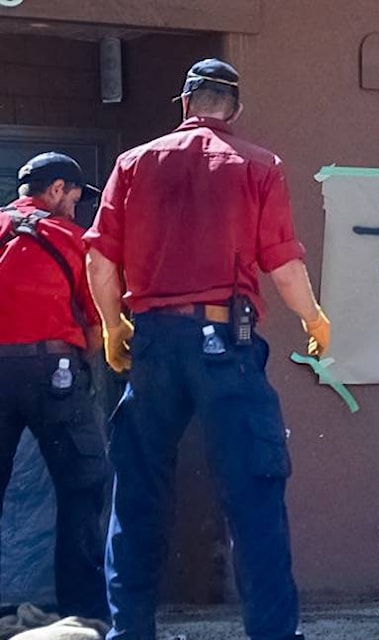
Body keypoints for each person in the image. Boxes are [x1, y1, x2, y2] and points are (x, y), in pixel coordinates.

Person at [84, 58, 331, 640]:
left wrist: (114, 327)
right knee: (253, 492)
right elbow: (285, 266)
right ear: (235, 108)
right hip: (227, 342)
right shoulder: (259, 165)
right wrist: (315, 319)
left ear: (185, 104)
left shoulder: (132, 163)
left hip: (154, 342)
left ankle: (130, 632)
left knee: (138, 493)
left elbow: (99, 261)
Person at [0, 152, 109, 621]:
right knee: (83, 486)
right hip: (55, 375)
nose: (76, 207)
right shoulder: (74, 239)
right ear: (59, 189)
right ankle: (83, 613)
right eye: (76, 197)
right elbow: (96, 323)